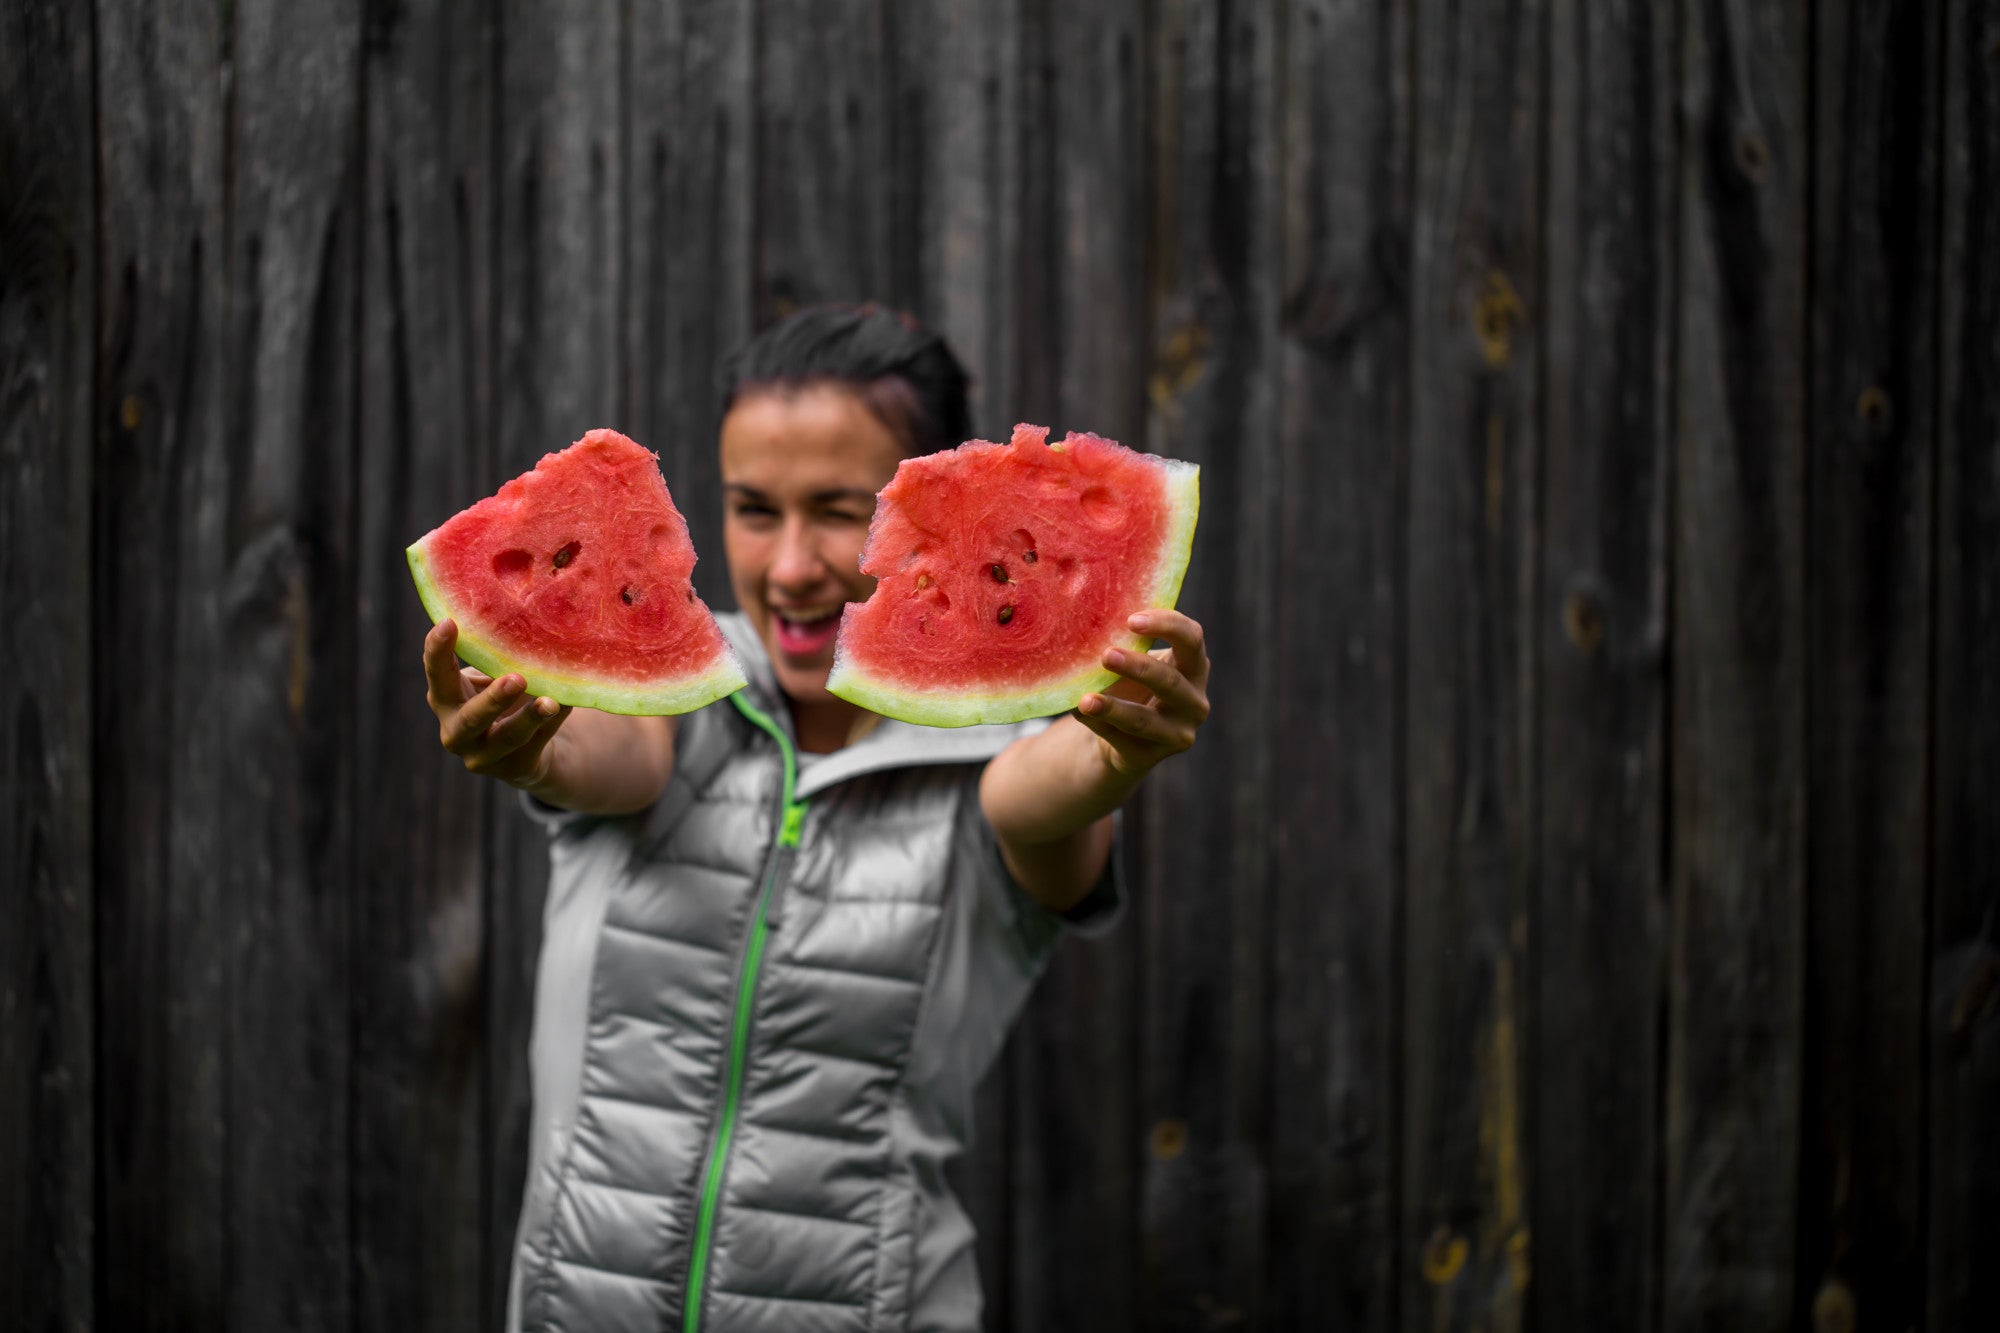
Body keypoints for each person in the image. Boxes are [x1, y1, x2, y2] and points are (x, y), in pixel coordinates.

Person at [420, 305, 1211, 1332]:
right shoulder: (671, 710)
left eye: (839, 509)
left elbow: (1033, 795)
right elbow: (603, 760)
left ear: (939, 511)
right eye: (753, 508)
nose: (789, 565)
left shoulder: (994, 758)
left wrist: (1113, 749)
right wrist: (533, 746)